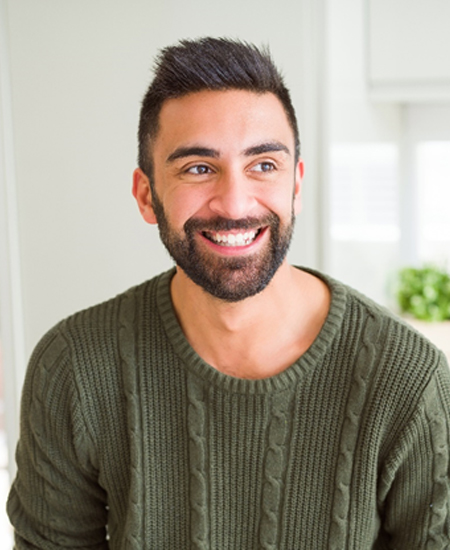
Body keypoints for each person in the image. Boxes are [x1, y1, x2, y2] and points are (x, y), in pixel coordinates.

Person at [7, 37, 450, 549]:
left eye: (263, 164)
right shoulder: (74, 367)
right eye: (198, 168)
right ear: (147, 195)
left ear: (296, 186)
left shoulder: (409, 382)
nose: (236, 202)